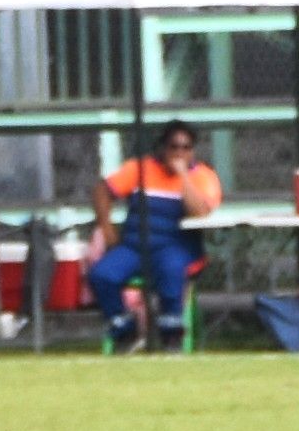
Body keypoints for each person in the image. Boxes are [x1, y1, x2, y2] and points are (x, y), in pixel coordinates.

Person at [91, 122, 222, 353]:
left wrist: (183, 175)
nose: (179, 153)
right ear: (162, 148)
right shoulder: (138, 169)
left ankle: (171, 337)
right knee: (102, 275)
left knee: (171, 271)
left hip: (177, 246)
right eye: (174, 147)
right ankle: (125, 332)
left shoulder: (203, 176)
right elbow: (103, 190)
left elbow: (200, 211)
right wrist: (107, 228)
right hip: (134, 247)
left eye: (186, 147)